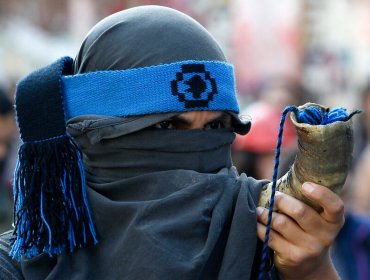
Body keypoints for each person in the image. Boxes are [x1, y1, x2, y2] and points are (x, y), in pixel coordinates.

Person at [1, 6, 344, 280]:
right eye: (166, 125)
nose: (193, 154)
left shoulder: (272, 250)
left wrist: (312, 272)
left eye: (216, 127)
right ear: (91, 134)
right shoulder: (15, 268)